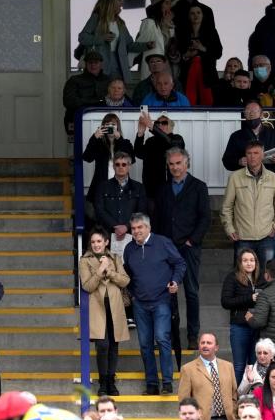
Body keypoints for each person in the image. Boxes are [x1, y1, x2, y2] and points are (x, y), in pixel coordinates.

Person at [123, 213, 185, 396]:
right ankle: (151, 383)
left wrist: (175, 281)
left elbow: (180, 263)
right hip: (140, 303)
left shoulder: (163, 243)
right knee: (144, 344)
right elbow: (128, 274)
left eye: (139, 227)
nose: (136, 232)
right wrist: (133, 294)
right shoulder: (129, 248)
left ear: (148, 228)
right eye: (133, 229)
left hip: (161, 301)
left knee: (162, 338)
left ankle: (167, 381)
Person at [154, 147, 209, 350]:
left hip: (189, 248)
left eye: (178, 163)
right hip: (167, 249)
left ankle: (193, 335)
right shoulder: (162, 189)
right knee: (167, 294)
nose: (175, 167)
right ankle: (167, 336)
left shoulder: (199, 187)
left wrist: (191, 241)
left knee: (192, 292)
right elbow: (157, 219)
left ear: (186, 163)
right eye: (171, 164)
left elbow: (205, 218)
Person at [222, 141, 275, 271]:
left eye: (256, 153)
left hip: (267, 236)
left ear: (263, 155)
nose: (252, 156)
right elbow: (227, 207)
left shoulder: (273, 178)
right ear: (245, 155)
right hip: (243, 237)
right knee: (243, 278)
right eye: (249, 153)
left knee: (268, 275)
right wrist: (229, 228)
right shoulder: (235, 178)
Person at [79, 227, 129, 396]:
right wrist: (100, 272)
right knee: (102, 345)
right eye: (93, 242)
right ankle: (103, 381)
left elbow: (125, 281)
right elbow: (87, 286)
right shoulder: (84, 260)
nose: (96, 245)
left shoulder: (115, 257)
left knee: (114, 344)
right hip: (97, 307)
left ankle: (111, 381)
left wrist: (110, 271)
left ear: (106, 242)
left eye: (99, 241)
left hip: (114, 306)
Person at [77, 0, 151, 80]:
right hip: (100, 64)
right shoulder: (96, 18)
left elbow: (129, 45)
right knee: (101, 92)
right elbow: (82, 37)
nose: (122, 2)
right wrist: (101, 38)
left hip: (119, 65)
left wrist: (146, 45)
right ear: (111, 2)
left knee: (117, 92)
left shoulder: (120, 23)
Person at [221, 249, 267, 384]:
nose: (249, 263)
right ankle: (235, 399)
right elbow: (225, 302)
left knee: (255, 365)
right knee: (239, 366)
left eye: (252, 260)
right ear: (240, 263)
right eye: (245, 260)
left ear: (256, 262)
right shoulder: (232, 277)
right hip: (240, 326)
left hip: (258, 326)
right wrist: (249, 298)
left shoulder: (261, 278)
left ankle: (253, 399)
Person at [177, 333, 238, 420]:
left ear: (216, 347)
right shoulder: (188, 369)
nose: (205, 345)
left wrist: (233, 412)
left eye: (209, 343)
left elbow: (234, 394)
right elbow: (184, 399)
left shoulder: (228, 366)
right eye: (202, 343)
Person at [221, 101, 275, 186]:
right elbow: (226, 161)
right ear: (244, 115)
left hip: (270, 180)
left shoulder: (274, 134)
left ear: (261, 114)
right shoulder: (236, 136)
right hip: (245, 181)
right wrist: (238, 161)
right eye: (247, 112)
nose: (251, 114)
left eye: (254, 111)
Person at [176, 3, 222, 105]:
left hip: (207, 72)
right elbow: (176, 56)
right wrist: (187, 54)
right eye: (192, 13)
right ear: (188, 16)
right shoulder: (182, 33)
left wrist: (202, 48)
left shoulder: (211, 32)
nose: (195, 15)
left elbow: (218, 53)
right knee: (188, 100)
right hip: (187, 71)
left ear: (203, 15)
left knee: (208, 101)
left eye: (198, 13)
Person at [82, 113, 133, 205]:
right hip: (102, 185)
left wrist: (119, 138)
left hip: (121, 185)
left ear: (118, 127)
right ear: (103, 127)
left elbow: (131, 159)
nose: (110, 127)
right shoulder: (98, 144)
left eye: (113, 125)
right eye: (107, 125)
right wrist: (94, 138)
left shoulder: (125, 142)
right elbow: (87, 157)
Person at [134, 0, 175, 80]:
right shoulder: (149, 23)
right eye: (167, 3)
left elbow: (170, 47)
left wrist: (168, 25)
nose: (170, 6)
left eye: (170, 3)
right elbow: (138, 47)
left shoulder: (168, 23)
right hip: (152, 68)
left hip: (166, 66)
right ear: (159, 5)